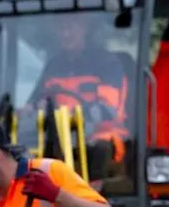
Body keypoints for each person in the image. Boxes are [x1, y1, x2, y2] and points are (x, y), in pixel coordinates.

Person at [25, 13, 130, 178]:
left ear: (84, 29)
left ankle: (92, 198)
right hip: (59, 137)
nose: (66, 34)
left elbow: (108, 109)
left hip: (100, 135)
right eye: (61, 28)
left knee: (99, 149)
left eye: (71, 28)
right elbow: (35, 101)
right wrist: (27, 110)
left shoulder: (108, 63)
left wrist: (74, 119)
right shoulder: (53, 65)